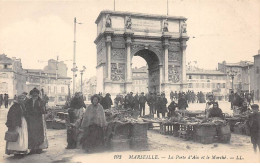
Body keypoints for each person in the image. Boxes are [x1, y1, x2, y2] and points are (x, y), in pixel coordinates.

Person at [24, 88, 47, 154]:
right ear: (31, 94)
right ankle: (32, 148)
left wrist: (40, 111)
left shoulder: (41, 101)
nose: (35, 95)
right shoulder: (28, 101)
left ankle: (39, 148)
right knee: (31, 133)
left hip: (38, 119)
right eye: (33, 94)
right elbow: (26, 109)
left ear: (38, 94)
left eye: (36, 93)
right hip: (31, 119)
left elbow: (43, 111)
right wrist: (28, 115)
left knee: (38, 133)